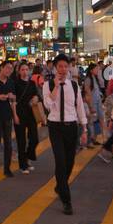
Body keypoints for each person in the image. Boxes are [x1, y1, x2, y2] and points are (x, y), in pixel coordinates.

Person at [42, 54, 88, 215]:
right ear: (55, 68)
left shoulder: (74, 85)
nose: (62, 69)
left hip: (71, 126)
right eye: (59, 66)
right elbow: (48, 104)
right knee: (60, 162)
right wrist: (55, 86)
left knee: (69, 162)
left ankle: (59, 185)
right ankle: (66, 200)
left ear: (69, 68)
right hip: (55, 126)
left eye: (65, 66)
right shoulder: (48, 85)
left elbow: (80, 106)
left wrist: (85, 128)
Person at [13, 62, 40, 173]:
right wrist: (14, 115)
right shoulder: (15, 83)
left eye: (26, 69)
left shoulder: (32, 83)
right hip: (19, 114)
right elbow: (13, 101)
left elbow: (38, 95)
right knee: (21, 141)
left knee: (34, 139)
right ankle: (23, 165)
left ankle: (27, 157)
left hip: (31, 114)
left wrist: (36, 98)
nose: (25, 71)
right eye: (22, 69)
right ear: (19, 71)